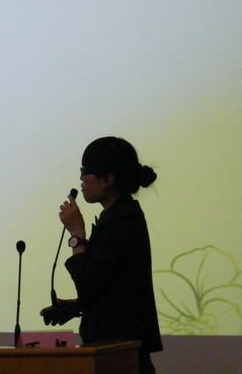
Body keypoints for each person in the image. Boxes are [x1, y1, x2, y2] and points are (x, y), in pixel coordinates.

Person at [40, 136, 162, 374]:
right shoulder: (117, 216)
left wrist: (77, 234)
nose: (81, 179)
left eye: (84, 171)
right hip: (116, 348)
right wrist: (76, 306)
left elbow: (89, 284)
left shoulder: (123, 220)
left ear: (107, 179)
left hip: (120, 351)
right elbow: (112, 286)